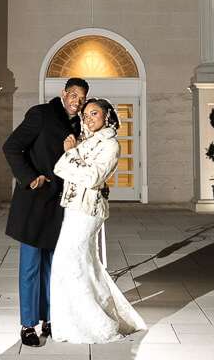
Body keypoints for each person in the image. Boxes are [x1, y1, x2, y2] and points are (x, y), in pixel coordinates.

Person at [49, 97, 147, 343]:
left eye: (94, 113)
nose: (88, 118)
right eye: (86, 114)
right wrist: (74, 159)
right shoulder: (87, 141)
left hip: (89, 210)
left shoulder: (111, 145)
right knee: (84, 264)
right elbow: (60, 169)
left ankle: (94, 324)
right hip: (73, 207)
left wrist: (71, 155)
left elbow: (93, 177)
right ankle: (73, 319)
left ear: (106, 116)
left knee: (70, 261)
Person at [2, 77, 88, 347]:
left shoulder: (80, 125)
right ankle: (28, 325)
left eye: (82, 98)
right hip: (34, 202)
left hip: (61, 206)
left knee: (54, 266)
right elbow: (12, 146)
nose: (77, 102)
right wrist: (30, 177)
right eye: (73, 95)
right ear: (64, 94)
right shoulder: (41, 114)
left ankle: (50, 318)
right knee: (30, 266)